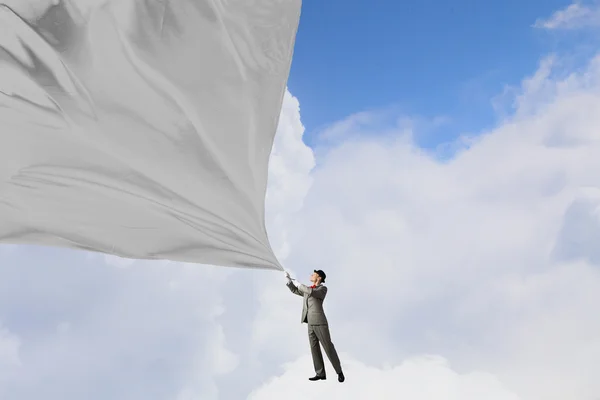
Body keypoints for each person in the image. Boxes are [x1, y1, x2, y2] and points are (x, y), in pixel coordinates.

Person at [285, 269, 345, 382]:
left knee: (328, 347)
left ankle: (339, 371)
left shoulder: (322, 289)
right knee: (314, 348)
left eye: (314, 274)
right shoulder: (308, 289)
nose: (311, 275)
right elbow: (295, 290)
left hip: (320, 322)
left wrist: (299, 284)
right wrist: (289, 281)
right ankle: (320, 373)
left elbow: (311, 292)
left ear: (319, 278)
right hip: (310, 323)